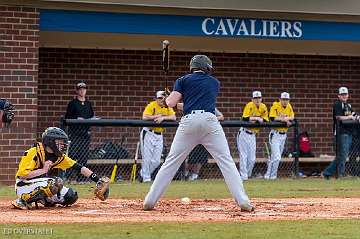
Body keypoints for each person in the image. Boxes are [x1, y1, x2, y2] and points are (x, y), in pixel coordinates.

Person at [143, 54, 254, 211]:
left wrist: (170, 97)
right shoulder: (215, 82)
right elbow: (192, 101)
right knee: (226, 161)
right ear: (207, 67)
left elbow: (171, 103)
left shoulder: (182, 80)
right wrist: (175, 98)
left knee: (171, 162)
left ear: (192, 67)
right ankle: (243, 201)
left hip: (189, 122)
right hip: (210, 121)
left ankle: (150, 201)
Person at [11, 127, 109, 210]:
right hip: (23, 185)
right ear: (50, 142)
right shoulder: (34, 152)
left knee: (71, 196)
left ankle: (44, 200)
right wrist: (43, 170)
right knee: (56, 182)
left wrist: (98, 180)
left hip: (39, 184)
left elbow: (80, 168)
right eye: (60, 142)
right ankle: (22, 201)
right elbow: (22, 175)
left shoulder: (58, 157)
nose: (63, 145)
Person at [140, 90, 176, 183]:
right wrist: (156, 116)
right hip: (148, 133)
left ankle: (142, 174)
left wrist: (163, 117)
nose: (162, 100)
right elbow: (145, 117)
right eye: (160, 98)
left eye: (164, 98)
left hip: (159, 135)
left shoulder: (167, 107)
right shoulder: (152, 105)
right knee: (147, 158)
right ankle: (146, 179)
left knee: (156, 160)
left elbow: (173, 117)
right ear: (156, 99)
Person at [323, 87, 358, 178]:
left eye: (345, 94)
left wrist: (356, 117)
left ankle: (332, 173)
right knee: (342, 155)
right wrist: (350, 117)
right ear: (339, 96)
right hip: (340, 134)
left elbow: (354, 114)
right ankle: (334, 173)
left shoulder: (348, 105)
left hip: (348, 134)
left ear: (348, 95)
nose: (344, 96)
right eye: (342, 94)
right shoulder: (338, 104)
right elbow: (338, 117)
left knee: (342, 155)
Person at [65, 81, 94, 181]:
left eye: (84, 89)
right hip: (75, 134)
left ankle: (81, 178)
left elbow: (91, 117)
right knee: (72, 155)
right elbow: (67, 118)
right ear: (77, 91)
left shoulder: (88, 104)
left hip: (85, 134)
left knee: (84, 156)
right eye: (80, 89)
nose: (82, 91)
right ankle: (69, 177)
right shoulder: (72, 103)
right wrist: (77, 119)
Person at [237, 91, 269, 180]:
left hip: (253, 135)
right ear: (252, 99)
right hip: (244, 132)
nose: (257, 100)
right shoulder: (249, 105)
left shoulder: (263, 107)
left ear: (261, 99)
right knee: (244, 156)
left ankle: (248, 174)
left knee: (252, 158)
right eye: (255, 98)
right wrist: (257, 118)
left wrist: (259, 119)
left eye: (259, 98)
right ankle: (243, 177)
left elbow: (266, 119)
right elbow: (245, 118)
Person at [185, 108, 224, 181]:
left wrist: (210, 118)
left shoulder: (211, 107)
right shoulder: (193, 106)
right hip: (193, 135)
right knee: (191, 157)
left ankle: (195, 175)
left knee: (201, 157)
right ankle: (186, 173)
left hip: (206, 135)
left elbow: (221, 117)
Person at [264, 92, 295, 180]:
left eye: (287, 100)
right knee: (277, 157)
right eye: (283, 99)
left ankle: (269, 176)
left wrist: (287, 119)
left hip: (283, 135)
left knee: (276, 157)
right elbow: (273, 118)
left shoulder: (289, 106)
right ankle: (271, 176)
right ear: (280, 99)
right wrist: (284, 120)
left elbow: (292, 117)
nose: (285, 101)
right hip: (275, 134)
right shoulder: (275, 106)